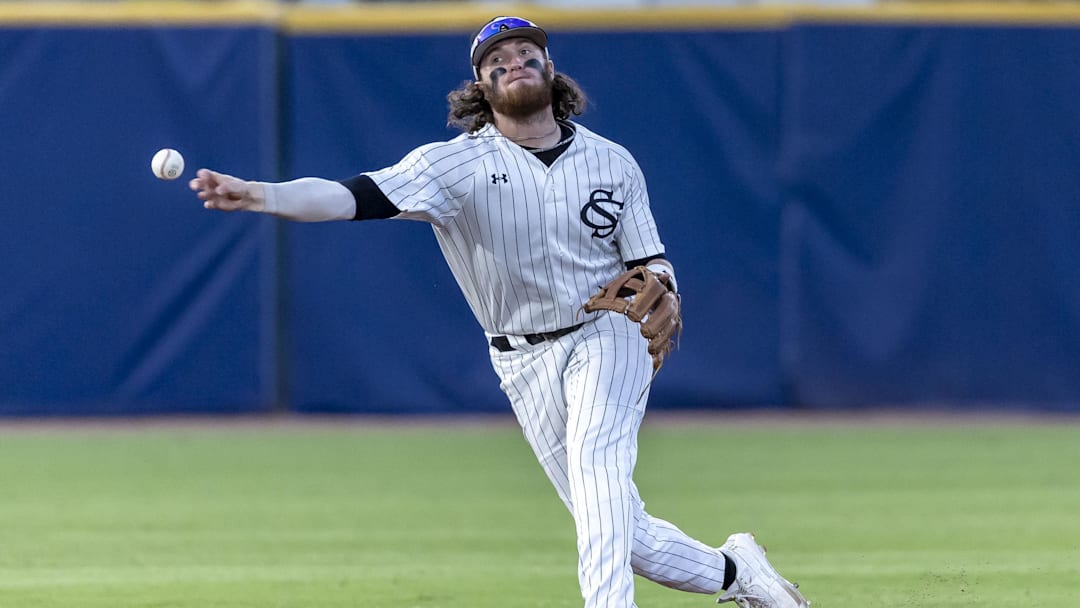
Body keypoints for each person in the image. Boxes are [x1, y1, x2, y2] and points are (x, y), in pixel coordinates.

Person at [190, 15, 809, 608]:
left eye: (525, 53)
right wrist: (262, 195)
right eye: (496, 60)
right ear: (480, 88)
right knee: (624, 526)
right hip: (521, 358)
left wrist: (665, 285)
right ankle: (738, 569)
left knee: (599, 476)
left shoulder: (612, 161)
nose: (514, 62)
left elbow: (651, 258)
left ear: (549, 68)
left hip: (608, 333)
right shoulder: (451, 165)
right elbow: (351, 196)